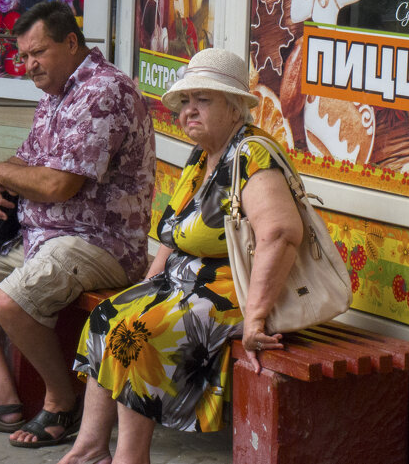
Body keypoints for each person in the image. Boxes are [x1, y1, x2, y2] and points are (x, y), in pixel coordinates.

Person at [59, 48, 305, 464]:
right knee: (106, 318)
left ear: (235, 106)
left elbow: (280, 233)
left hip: (234, 291)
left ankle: (130, 458)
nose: (190, 111)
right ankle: (89, 449)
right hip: (184, 284)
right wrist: (146, 288)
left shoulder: (251, 155)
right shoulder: (204, 156)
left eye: (203, 100)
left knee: (133, 337)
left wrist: (257, 316)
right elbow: (175, 235)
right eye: (186, 102)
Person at [0, 0, 156, 449]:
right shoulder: (58, 94)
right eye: (23, 56)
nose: (28, 65)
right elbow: (26, 160)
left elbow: (58, 185)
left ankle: (61, 402)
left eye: (37, 53)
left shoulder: (103, 92)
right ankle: (1, 394)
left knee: (12, 299)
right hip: (42, 236)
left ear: (70, 42)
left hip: (99, 242)